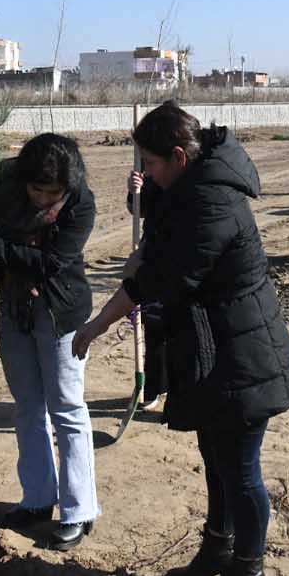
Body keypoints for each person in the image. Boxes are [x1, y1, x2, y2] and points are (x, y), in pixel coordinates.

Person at [72, 103, 289, 576]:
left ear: (179, 155)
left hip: (243, 353)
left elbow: (168, 278)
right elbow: (159, 232)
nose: (147, 172)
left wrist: (97, 323)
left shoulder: (212, 202)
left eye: (152, 163)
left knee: (240, 470)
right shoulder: (189, 185)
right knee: (215, 458)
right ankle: (216, 554)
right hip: (213, 349)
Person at [0, 133, 100, 551]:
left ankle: (79, 510)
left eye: (54, 193)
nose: (44, 199)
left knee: (67, 407)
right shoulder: (3, 191)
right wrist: (1, 256)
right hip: (14, 309)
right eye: (38, 190)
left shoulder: (79, 203)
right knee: (28, 407)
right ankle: (37, 499)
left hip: (60, 312)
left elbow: (52, 263)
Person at [125, 169, 168, 411]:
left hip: (182, 255)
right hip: (151, 253)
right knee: (152, 323)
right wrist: (134, 193)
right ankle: (151, 387)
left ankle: (177, 389)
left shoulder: (192, 172)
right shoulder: (147, 172)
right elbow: (138, 212)